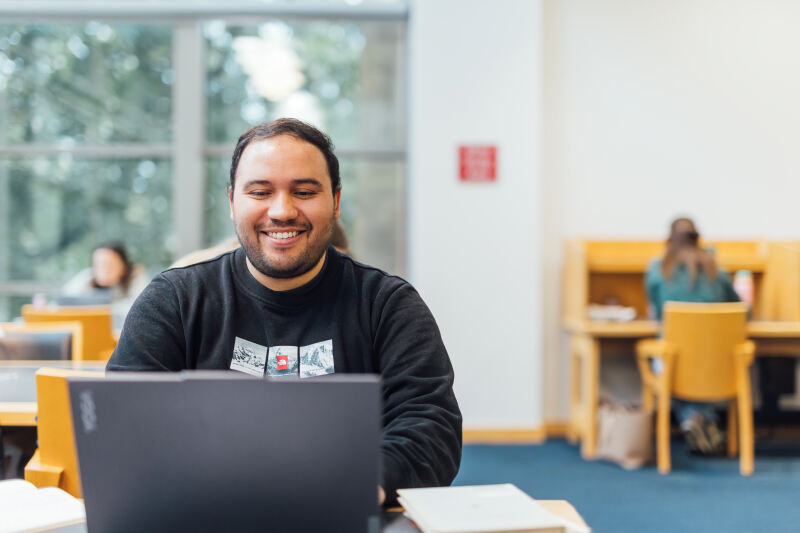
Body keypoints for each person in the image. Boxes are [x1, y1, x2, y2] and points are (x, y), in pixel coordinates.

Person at [107, 118, 462, 505]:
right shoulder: (174, 301)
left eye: (305, 191)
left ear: (337, 201)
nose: (282, 211)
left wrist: (363, 481)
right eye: (260, 192)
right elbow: (124, 423)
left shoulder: (389, 305)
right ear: (231, 202)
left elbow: (431, 425)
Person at [645, 217, 740, 455]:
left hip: (675, 362)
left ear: (669, 241)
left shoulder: (658, 271)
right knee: (697, 364)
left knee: (667, 359)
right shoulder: (717, 270)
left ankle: (693, 417)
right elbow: (738, 309)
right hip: (716, 362)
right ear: (698, 240)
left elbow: (657, 312)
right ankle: (702, 418)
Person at [62, 242, 149, 328]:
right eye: (98, 265)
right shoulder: (88, 278)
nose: (103, 270)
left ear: (123, 265)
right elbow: (63, 300)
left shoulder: (135, 275)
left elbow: (139, 309)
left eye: (109, 265)